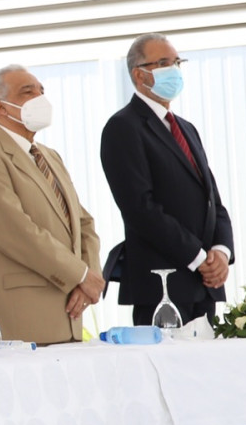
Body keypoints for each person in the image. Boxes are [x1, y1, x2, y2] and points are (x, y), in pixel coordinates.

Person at [0, 65, 103, 344]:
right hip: (21, 317)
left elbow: (83, 223)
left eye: (41, 91)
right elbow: (16, 232)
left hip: (69, 310)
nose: (40, 98)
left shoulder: (49, 156)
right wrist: (80, 274)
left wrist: (90, 278)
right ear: (0, 107)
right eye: (28, 92)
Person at [100, 34, 234, 326]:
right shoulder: (123, 127)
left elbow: (212, 200)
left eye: (176, 62)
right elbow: (140, 208)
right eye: (163, 63)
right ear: (139, 74)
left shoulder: (186, 128)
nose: (173, 70)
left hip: (204, 285)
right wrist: (198, 258)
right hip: (162, 285)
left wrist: (221, 252)